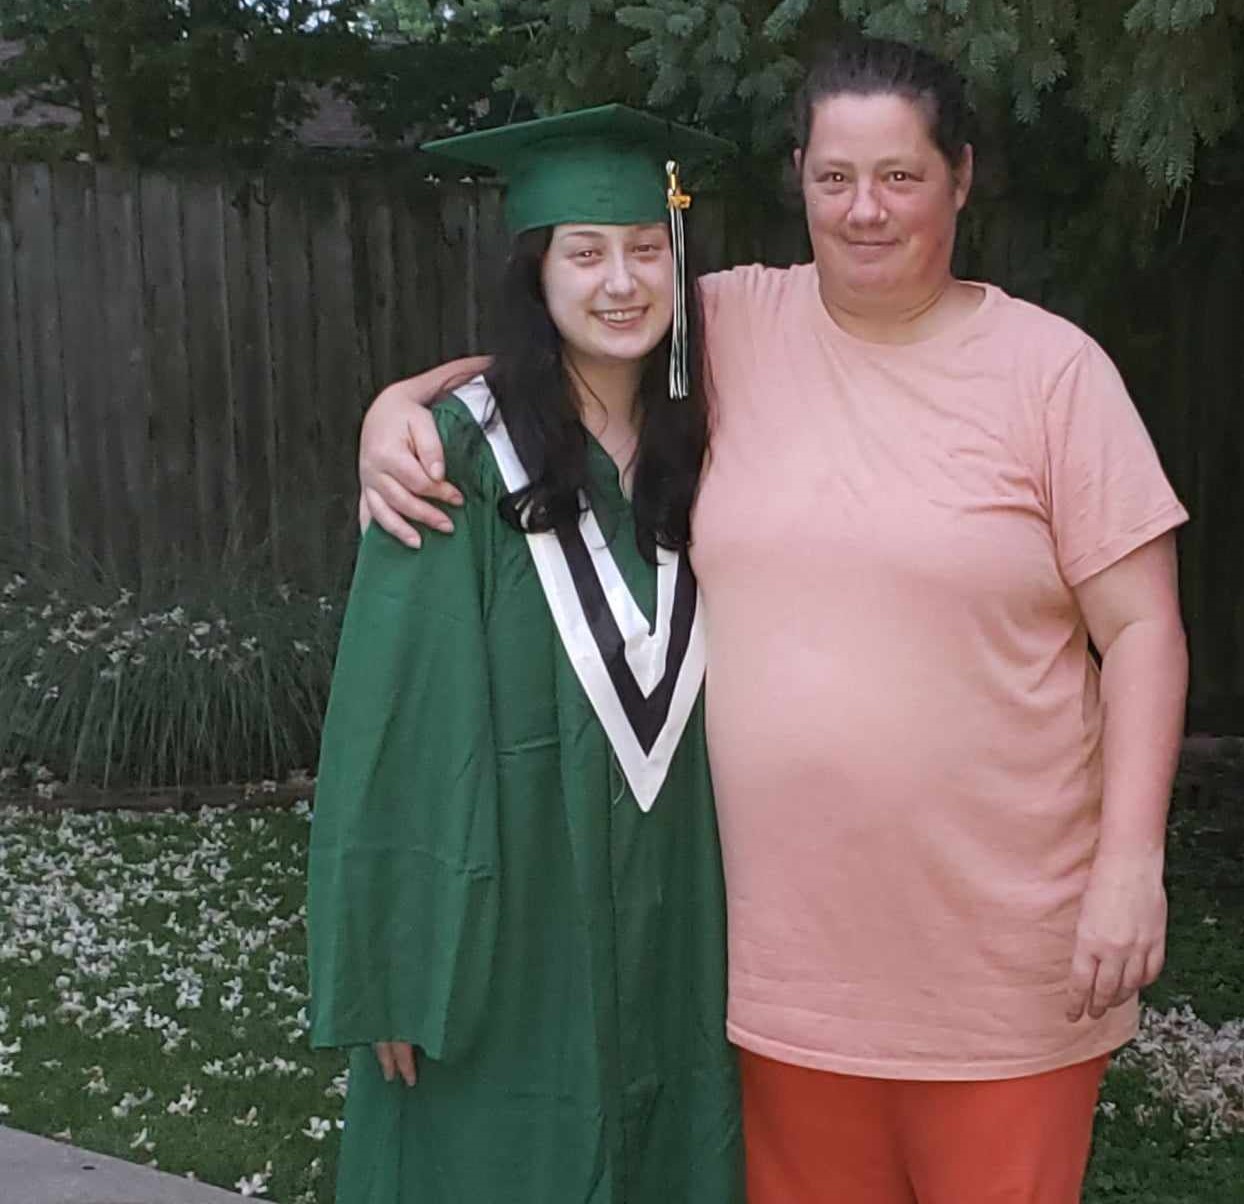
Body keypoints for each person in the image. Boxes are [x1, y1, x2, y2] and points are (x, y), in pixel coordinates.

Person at [357, 38, 1189, 1204]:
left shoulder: (1053, 374)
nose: (864, 209)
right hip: (777, 985)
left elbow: (1144, 628)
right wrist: (396, 408)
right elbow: (572, 328)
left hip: (1005, 969)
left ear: (961, 176)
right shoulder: (730, 326)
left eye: (900, 175)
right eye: (835, 175)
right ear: (798, 174)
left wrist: (1130, 867)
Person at [305, 104, 744, 1204]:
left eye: (647, 248)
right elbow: (399, 719)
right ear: (536, 277)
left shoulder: (721, 438)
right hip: (508, 913)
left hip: (687, 902)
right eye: (583, 253)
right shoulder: (451, 452)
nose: (620, 281)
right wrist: (396, 960)